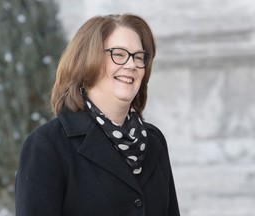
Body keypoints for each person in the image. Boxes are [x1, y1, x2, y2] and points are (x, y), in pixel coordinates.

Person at [15, 13, 180, 216]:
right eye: (118, 54)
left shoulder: (154, 141)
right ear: (86, 61)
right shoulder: (47, 146)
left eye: (139, 57)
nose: (131, 65)